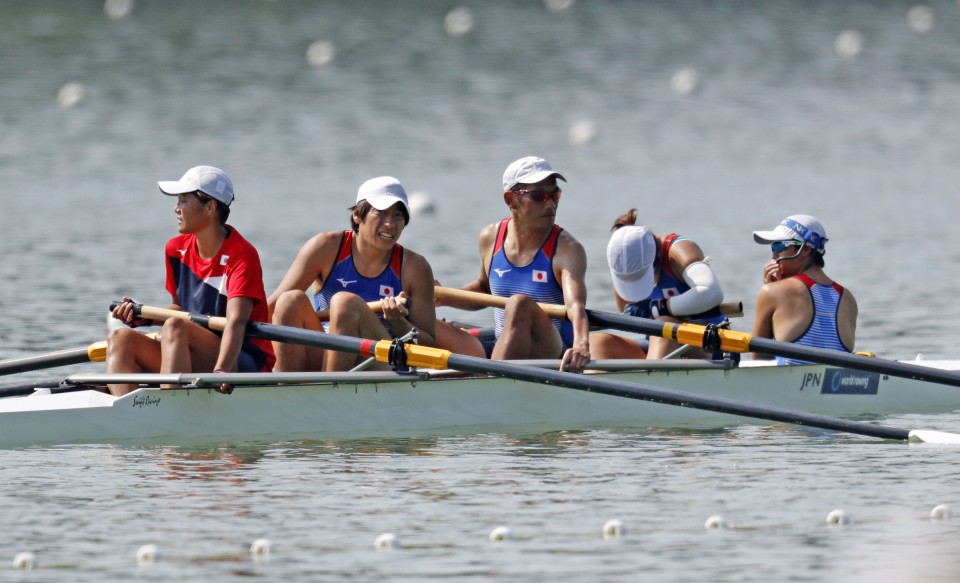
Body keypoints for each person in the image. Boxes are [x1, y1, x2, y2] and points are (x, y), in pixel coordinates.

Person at [108, 165, 276, 396]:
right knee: (120, 338)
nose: (176, 209)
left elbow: (236, 323)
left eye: (183, 201)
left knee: (176, 327)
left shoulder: (241, 255)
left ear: (210, 206)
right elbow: (180, 309)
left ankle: (171, 408)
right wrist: (143, 317)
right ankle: (128, 416)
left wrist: (221, 371)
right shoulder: (175, 249)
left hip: (240, 359)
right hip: (191, 346)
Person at [435, 156, 591, 373]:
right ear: (511, 200)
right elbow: (485, 289)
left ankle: (492, 384)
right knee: (423, 319)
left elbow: (576, 307)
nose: (550, 203)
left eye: (555, 195)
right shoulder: (490, 237)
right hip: (504, 348)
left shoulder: (567, 249)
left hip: (549, 354)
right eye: (539, 196)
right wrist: (444, 297)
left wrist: (581, 345)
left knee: (519, 304)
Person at [268, 176, 437, 372]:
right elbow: (271, 308)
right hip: (324, 353)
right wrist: (232, 330)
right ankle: (286, 390)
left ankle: (330, 390)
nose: (390, 224)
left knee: (344, 302)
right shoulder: (325, 248)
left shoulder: (414, 267)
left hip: (377, 360)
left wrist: (397, 321)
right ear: (357, 215)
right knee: (289, 300)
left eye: (398, 215)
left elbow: (428, 348)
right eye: (381, 213)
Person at [589, 208, 726, 359]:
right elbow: (626, 309)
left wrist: (658, 308)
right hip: (661, 346)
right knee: (597, 343)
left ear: (656, 254)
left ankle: (650, 377)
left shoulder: (679, 251)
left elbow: (711, 292)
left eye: (640, 276)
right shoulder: (622, 262)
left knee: (663, 325)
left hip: (713, 346)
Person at [751, 214, 857, 364]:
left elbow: (758, 363)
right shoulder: (848, 298)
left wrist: (772, 290)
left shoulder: (772, 293)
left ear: (805, 249)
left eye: (779, 245)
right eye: (772, 245)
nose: (773, 254)